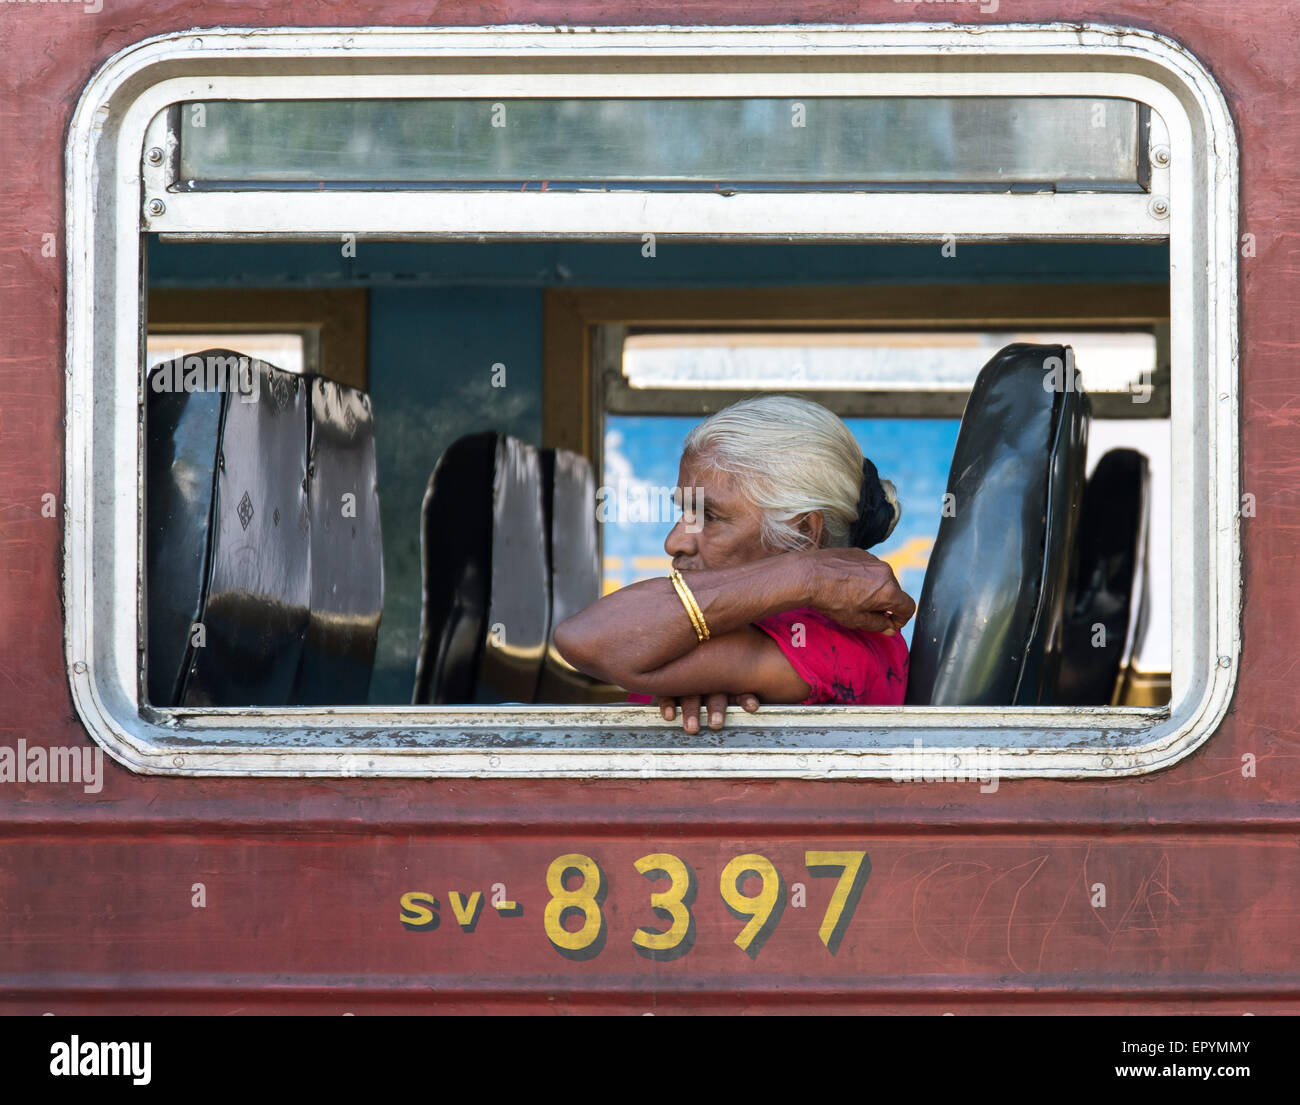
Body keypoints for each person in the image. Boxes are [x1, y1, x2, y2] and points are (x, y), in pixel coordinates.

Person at [554, 395, 915, 733]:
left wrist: (808, 573)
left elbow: (586, 639)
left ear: (802, 533)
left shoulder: (839, 642)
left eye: (709, 516)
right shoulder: (737, 631)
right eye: (685, 511)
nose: (674, 541)